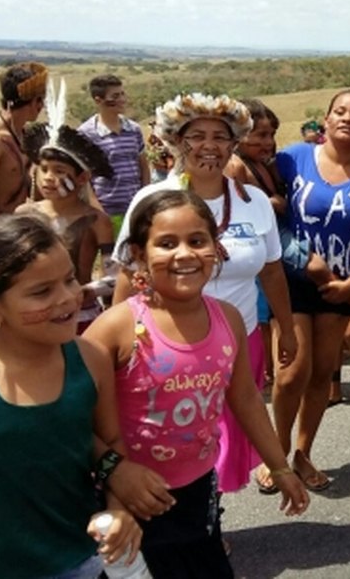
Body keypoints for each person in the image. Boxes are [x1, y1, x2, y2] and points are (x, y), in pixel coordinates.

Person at [87, 189, 309, 577]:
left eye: (197, 240)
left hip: (200, 492)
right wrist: (115, 473)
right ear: (139, 253)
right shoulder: (116, 329)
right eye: (166, 243)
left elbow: (245, 398)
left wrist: (280, 467)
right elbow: (71, 419)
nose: (184, 254)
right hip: (131, 499)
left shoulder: (228, 319)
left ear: (216, 248)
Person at [110, 92, 298, 496]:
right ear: (177, 141)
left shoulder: (255, 202)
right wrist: (118, 342)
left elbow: (271, 269)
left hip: (239, 337)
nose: (209, 146)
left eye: (221, 136)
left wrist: (287, 326)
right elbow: (128, 274)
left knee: (227, 432)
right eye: (197, 136)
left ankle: (210, 517)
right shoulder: (150, 200)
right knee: (176, 434)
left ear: (234, 145)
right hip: (164, 345)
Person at [0, 214, 142, 579]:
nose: (67, 298)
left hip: (81, 559)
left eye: (70, 279)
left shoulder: (90, 358)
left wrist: (119, 505)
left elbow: (109, 443)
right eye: (41, 291)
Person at [272, 89, 350, 491]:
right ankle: (276, 456)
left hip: (338, 290)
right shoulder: (292, 158)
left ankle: (303, 453)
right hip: (291, 282)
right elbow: (264, 206)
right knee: (292, 373)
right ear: (325, 120)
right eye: (340, 112)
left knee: (321, 376)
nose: (348, 118)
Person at [19, 116, 115, 332]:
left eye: (59, 170)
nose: (48, 178)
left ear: (82, 178)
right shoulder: (24, 215)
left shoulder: (97, 221)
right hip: (35, 316)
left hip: (81, 317)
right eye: (43, 169)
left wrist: (86, 292)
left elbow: (113, 278)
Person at [224, 98, 288, 388]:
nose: (269, 142)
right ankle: (265, 373)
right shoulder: (236, 167)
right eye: (261, 135)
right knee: (260, 318)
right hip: (253, 254)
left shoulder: (262, 165)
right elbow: (240, 208)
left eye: (272, 135)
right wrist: (274, 202)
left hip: (268, 248)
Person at [78, 75, 149, 234]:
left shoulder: (134, 129)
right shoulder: (86, 134)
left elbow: (143, 166)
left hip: (135, 207)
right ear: (98, 100)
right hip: (106, 210)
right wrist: (97, 209)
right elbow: (84, 178)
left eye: (122, 94)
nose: (122, 99)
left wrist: (144, 199)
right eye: (115, 96)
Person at [0, 62, 47, 214]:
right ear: (34, 101)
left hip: (17, 228)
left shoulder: (28, 137)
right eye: (40, 99)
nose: (42, 106)